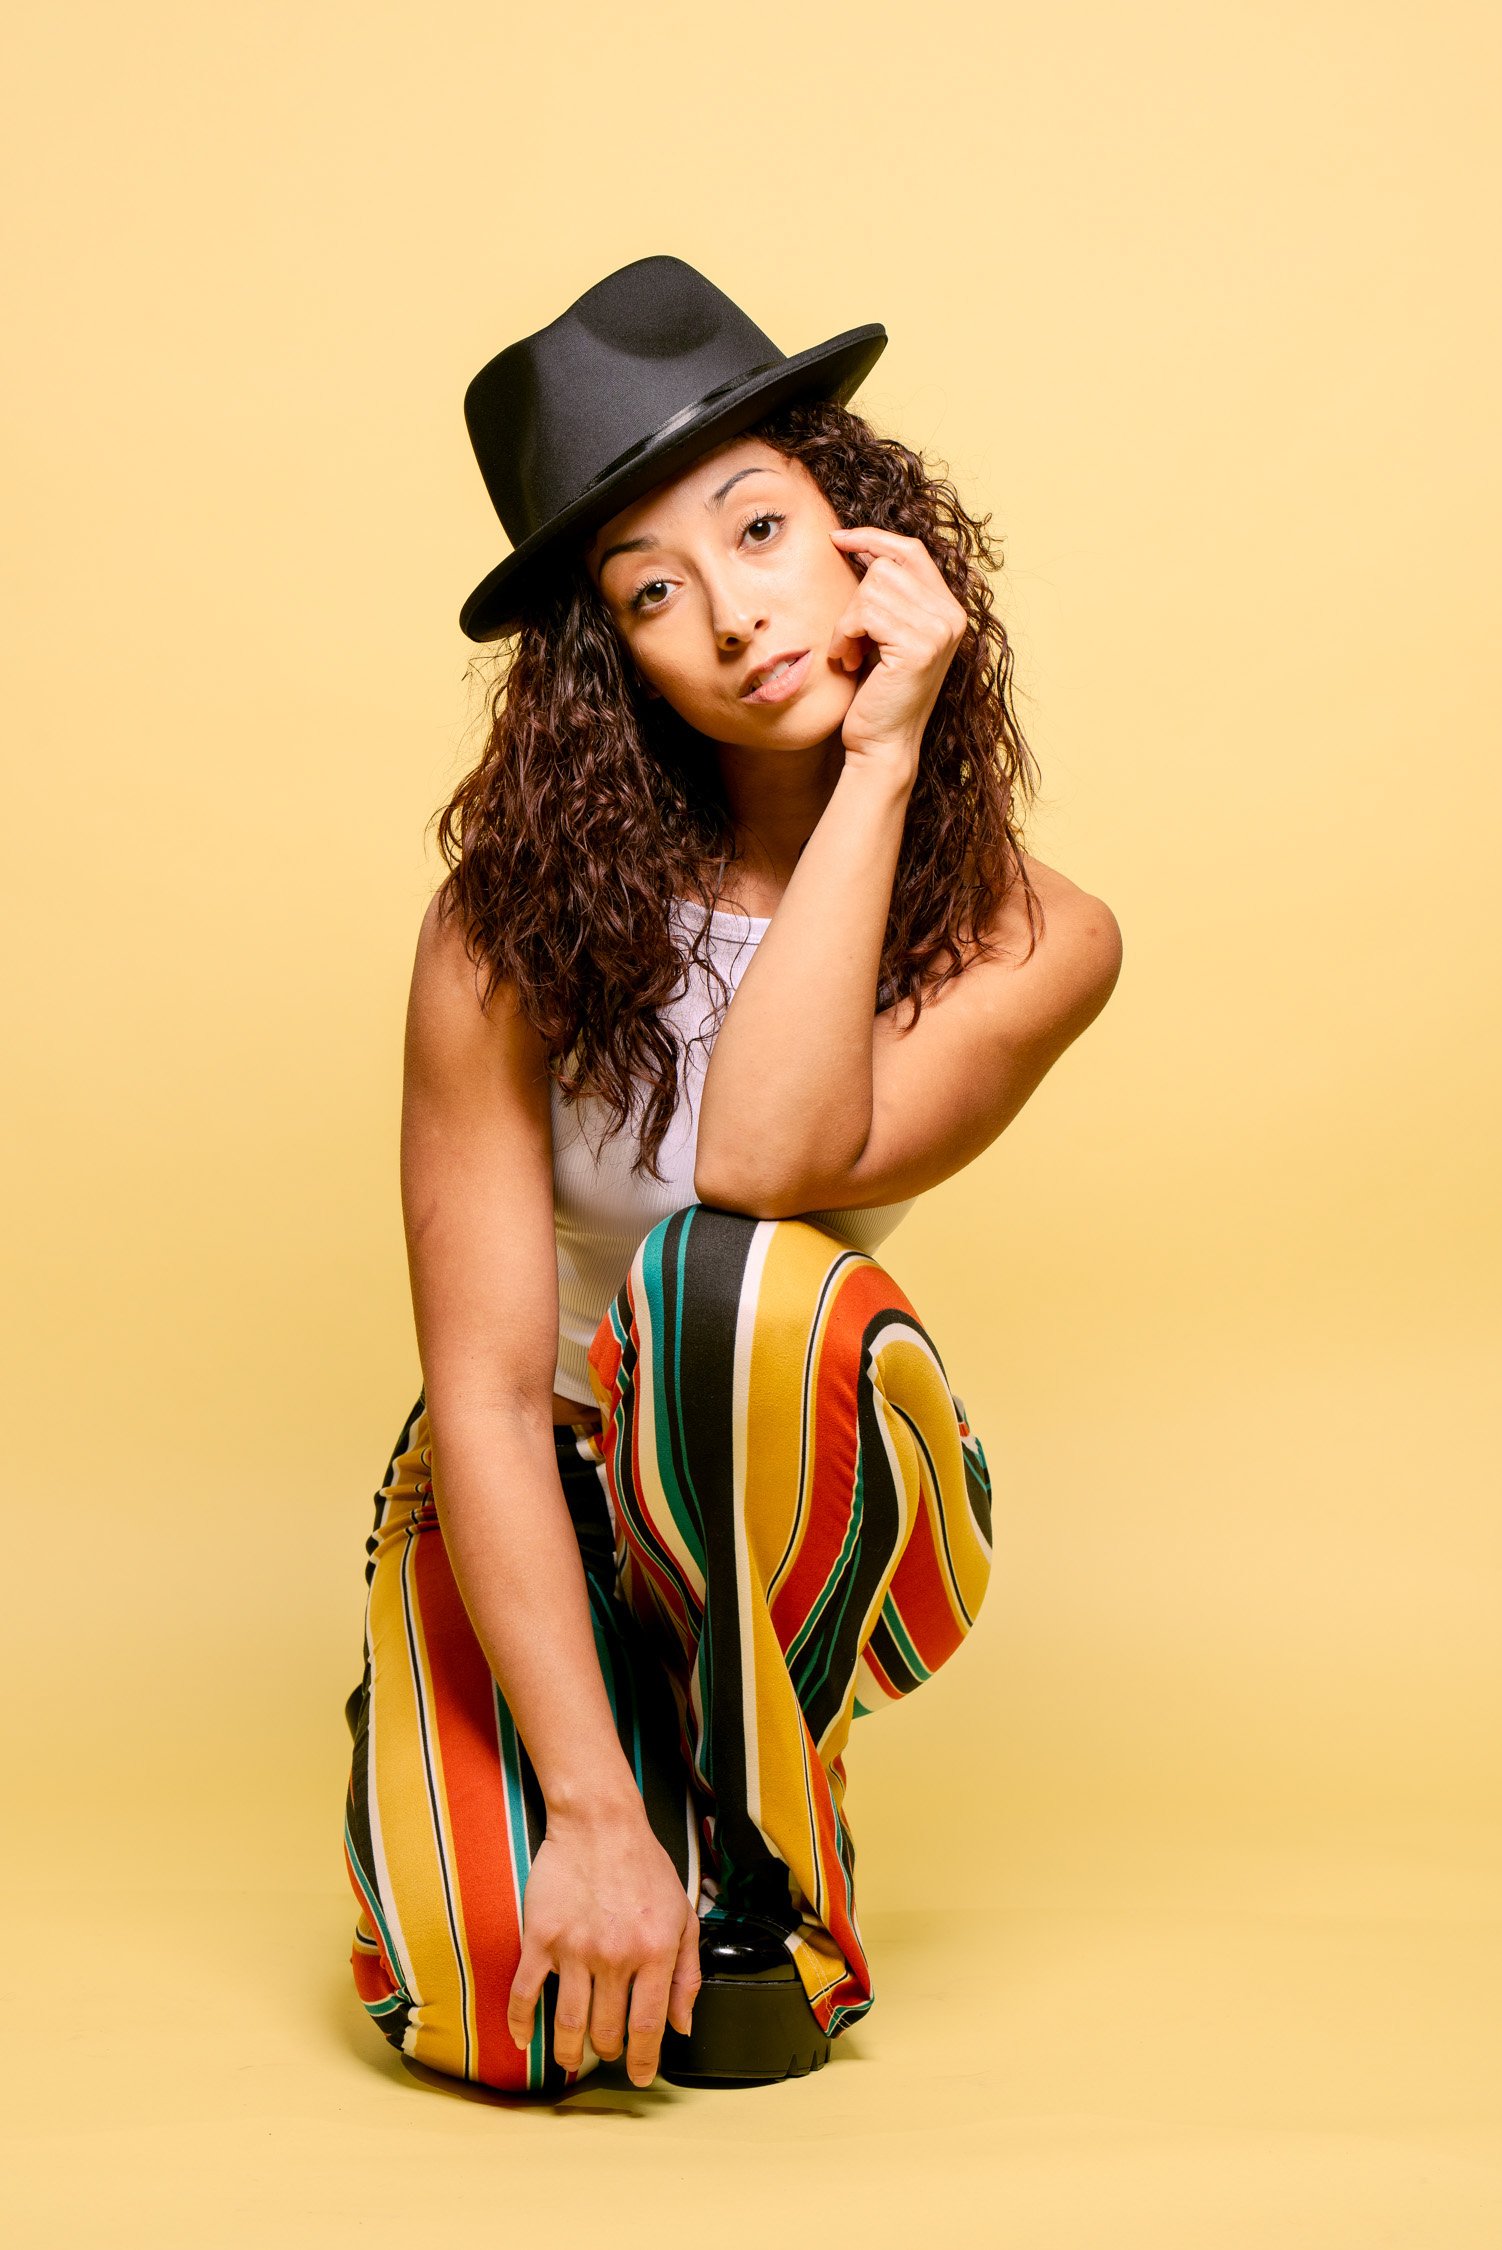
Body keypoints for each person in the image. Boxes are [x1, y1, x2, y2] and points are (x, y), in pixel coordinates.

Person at [341, 254, 1123, 2098]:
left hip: (810, 1492)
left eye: (763, 529)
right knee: (506, 2021)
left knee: (724, 1270)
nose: (735, 617)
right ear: (608, 655)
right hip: (535, 1484)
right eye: (652, 593)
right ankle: (607, 1782)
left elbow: (766, 1165)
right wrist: (588, 1818)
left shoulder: (1036, 936)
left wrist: (879, 760)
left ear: (866, 533)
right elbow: (475, 1379)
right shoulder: (505, 929)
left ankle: (759, 1840)